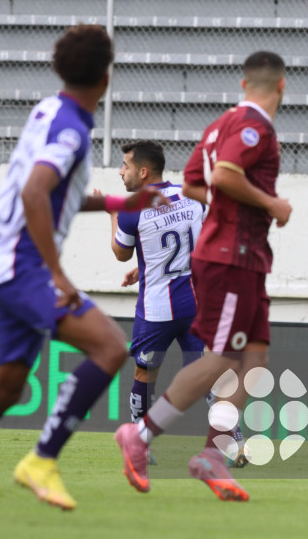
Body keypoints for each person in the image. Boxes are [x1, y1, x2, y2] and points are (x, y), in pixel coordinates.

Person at [0, 25, 168, 510]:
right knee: (110, 346)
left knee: (4, 388)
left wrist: (120, 201)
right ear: (106, 78)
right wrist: (57, 273)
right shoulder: (71, 130)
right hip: (24, 265)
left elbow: (53, 194)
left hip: (7, 260)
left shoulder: (50, 110)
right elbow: (35, 192)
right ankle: (42, 460)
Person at [114, 50, 292, 502]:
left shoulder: (218, 127)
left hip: (241, 258)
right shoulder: (254, 128)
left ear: (243, 84)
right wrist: (270, 204)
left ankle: (212, 453)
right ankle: (142, 436)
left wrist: (238, 207)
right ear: (281, 86)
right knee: (222, 360)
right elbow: (226, 176)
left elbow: (196, 184)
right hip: (232, 257)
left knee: (254, 358)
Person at [101, 140, 210, 464]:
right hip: (195, 305)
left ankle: (140, 445)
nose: (121, 172)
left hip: (157, 311)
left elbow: (121, 253)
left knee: (145, 374)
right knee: (207, 375)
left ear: (143, 172)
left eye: (126, 166)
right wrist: (148, 265)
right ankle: (234, 442)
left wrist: (112, 214)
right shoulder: (191, 195)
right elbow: (198, 240)